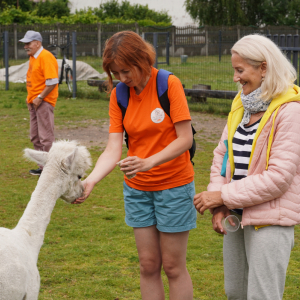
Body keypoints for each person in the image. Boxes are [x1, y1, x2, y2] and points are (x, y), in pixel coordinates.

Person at [73, 31, 197, 300]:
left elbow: (185, 139)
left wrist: (148, 162)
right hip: (138, 190)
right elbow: (113, 148)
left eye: (126, 71)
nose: (122, 78)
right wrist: (91, 180)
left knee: (174, 267)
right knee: (148, 265)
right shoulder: (120, 94)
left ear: (143, 60)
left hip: (174, 187)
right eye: (116, 73)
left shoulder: (168, 84)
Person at [194, 34, 300, 300]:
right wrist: (221, 205)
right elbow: (222, 156)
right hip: (236, 216)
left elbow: (278, 178)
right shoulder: (241, 104)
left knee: (262, 296)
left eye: (240, 70)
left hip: (269, 221)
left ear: (263, 68)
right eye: (234, 69)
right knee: (235, 293)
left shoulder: (290, 112)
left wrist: (222, 196)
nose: (235, 78)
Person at [19, 30, 59, 176]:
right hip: (34, 101)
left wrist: (40, 97)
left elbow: (52, 82)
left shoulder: (45, 57)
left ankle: (51, 169)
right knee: (35, 136)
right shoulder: (33, 57)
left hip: (44, 101)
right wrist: (30, 97)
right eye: (25, 44)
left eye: (28, 43)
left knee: (46, 137)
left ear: (37, 43)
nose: (25, 46)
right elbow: (34, 79)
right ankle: (43, 167)